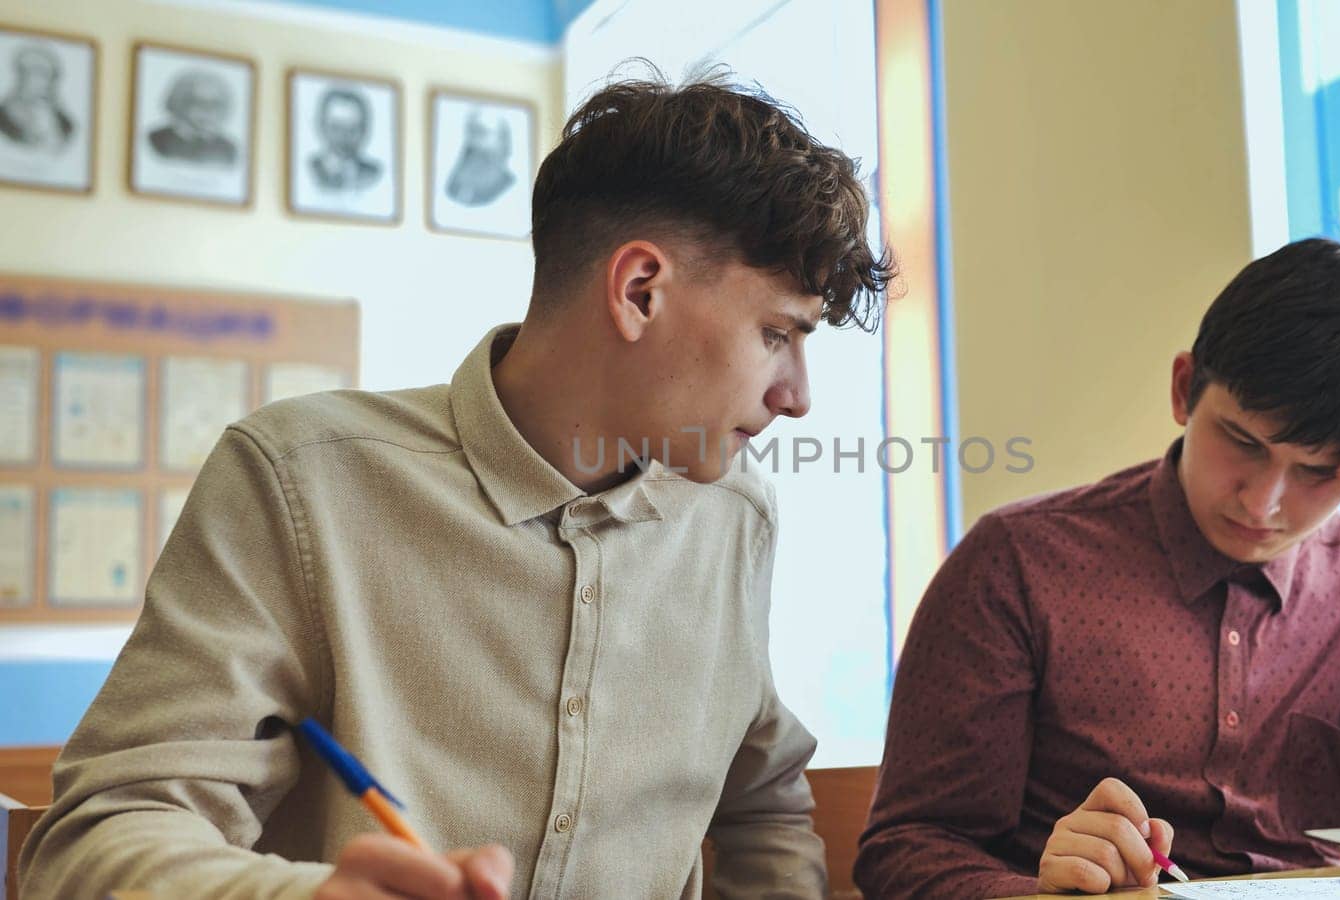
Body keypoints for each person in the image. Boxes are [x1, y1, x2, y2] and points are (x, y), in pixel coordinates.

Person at [21, 75, 892, 899]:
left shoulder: (735, 517)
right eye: (777, 333)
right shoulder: (298, 479)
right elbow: (98, 839)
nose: (798, 398)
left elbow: (762, 801)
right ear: (638, 290)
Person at [855, 238, 1340, 897]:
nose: (1264, 502)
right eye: (1241, 441)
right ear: (1185, 389)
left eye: (1317, 469)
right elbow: (908, 849)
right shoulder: (1018, 564)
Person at [147, 68, 238, 166]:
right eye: (200, 103)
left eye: (214, 104)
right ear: (180, 103)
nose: (207, 111)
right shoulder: (157, 139)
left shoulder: (228, 148)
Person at [0, 43, 75, 153]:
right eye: (32, 72)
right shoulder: (3, 117)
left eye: (45, 74)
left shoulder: (65, 124)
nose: (39, 81)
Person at [308, 87, 382, 193]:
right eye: (337, 127)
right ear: (322, 127)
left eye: (353, 129)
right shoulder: (310, 169)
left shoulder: (373, 173)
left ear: (364, 131)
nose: (344, 136)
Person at [445, 110, 515, 207]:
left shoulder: (507, 189)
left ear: (503, 140)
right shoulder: (453, 185)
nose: (474, 139)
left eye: (481, 132)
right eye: (472, 131)